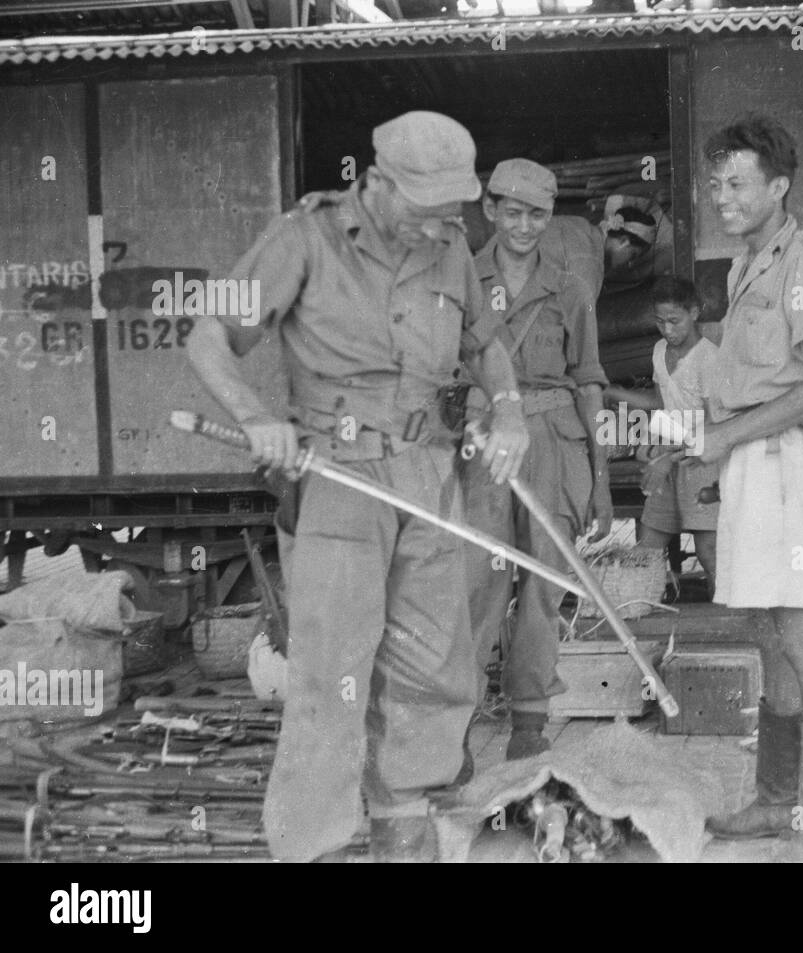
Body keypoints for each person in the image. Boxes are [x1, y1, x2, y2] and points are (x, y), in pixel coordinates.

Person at [187, 111, 530, 863]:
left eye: (454, 214)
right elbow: (205, 332)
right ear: (377, 183)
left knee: (435, 669)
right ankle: (311, 846)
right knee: (332, 674)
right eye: (430, 212)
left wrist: (507, 409)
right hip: (338, 478)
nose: (446, 230)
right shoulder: (304, 237)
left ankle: (405, 834)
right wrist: (253, 415)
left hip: (428, 474)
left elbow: (489, 343)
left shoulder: (449, 247)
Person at [691, 114, 803, 841]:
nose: (721, 196)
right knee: (767, 634)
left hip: (783, 460)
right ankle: (775, 797)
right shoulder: (745, 264)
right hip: (753, 462)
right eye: (715, 182)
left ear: (778, 187)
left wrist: (728, 433)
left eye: (738, 183)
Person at [462, 158, 611, 760]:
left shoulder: (571, 288)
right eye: (514, 212)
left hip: (554, 441)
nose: (525, 226)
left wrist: (600, 481)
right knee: (478, 585)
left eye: (539, 215)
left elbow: (591, 382)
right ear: (490, 210)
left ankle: (529, 726)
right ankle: (459, 727)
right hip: (485, 444)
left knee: (544, 588)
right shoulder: (462, 284)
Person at [604, 276, 720, 594]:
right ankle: (639, 607)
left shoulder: (709, 359)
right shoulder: (659, 350)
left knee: (710, 553)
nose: (667, 330)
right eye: (659, 321)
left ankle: (729, 626)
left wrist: (667, 458)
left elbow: (713, 426)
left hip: (703, 463)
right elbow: (661, 402)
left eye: (674, 321)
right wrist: (617, 393)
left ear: (694, 313)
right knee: (647, 548)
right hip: (670, 456)